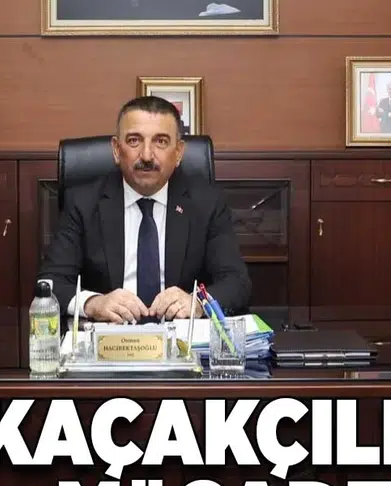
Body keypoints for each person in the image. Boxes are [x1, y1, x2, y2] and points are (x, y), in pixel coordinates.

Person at [38, 95, 251, 324]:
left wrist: (198, 303)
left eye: (161, 142)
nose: (147, 155)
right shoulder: (83, 203)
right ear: (116, 149)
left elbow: (236, 282)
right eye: (134, 141)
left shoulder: (207, 203)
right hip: (109, 335)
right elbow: (50, 282)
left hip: (180, 336)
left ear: (178, 152)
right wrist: (93, 303)